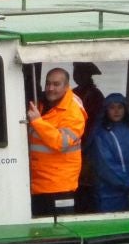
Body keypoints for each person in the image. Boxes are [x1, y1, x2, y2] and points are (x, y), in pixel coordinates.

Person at [27, 67, 88, 217]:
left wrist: (37, 122)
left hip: (59, 186)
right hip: (38, 184)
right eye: (48, 84)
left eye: (56, 84)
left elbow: (62, 142)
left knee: (61, 231)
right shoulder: (42, 104)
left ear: (67, 86)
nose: (50, 88)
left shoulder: (74, 113)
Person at [92, 93, 129, 211]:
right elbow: (105, 165)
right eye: (112, 107)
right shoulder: (100, 134)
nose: (116, 111)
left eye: (120, 107)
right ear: (106, 110)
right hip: (109, 194)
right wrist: (128, 182)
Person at [71, 62, 104, 211]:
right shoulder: (72, 93)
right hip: (75, 144)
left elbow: (96, 124)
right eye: (75, 71)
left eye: (80, 72)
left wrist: (85, 146)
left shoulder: (95, 96)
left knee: (87, 185)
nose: (76, 75)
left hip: (89, 146)